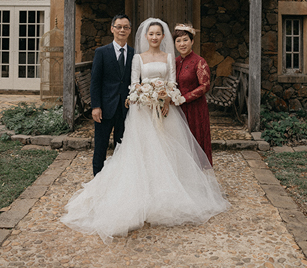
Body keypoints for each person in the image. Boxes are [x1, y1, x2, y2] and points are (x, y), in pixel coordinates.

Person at [62, 18, 229, 243]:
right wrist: (143, 96)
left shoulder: (169, 58)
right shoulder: (137, 58)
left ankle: (167, 193)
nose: (154, 37)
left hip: (164, 110)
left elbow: (172, 82)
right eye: (151, 34)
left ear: (162, 37)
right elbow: (134, 83)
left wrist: (166, 99)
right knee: (140, 152)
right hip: (142, 112)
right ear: (145, 36)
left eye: (158, 34)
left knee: (167, 151)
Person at [89, 14, 134, 175]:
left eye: (126, 27)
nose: (122, 30)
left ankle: (118, 180)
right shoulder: (102, 52)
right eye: (119, 26)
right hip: (105, 108)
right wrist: (96, 106)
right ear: (112, 29)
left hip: (126, 109)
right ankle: (97, 181)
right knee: (100, 147)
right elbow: (95, 81)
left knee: (121, 147)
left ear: (130, 30)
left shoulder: (134, 54)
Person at [173, 23, 213, 166]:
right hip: (177, 109)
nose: (182, 44)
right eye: (178, 41)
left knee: (195, 138)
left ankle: (198, 173)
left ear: (192, 41)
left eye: (185, 40)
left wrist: (185, 98)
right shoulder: (175, 62)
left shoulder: (199, 61)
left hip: (195, 108)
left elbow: (205, 85)